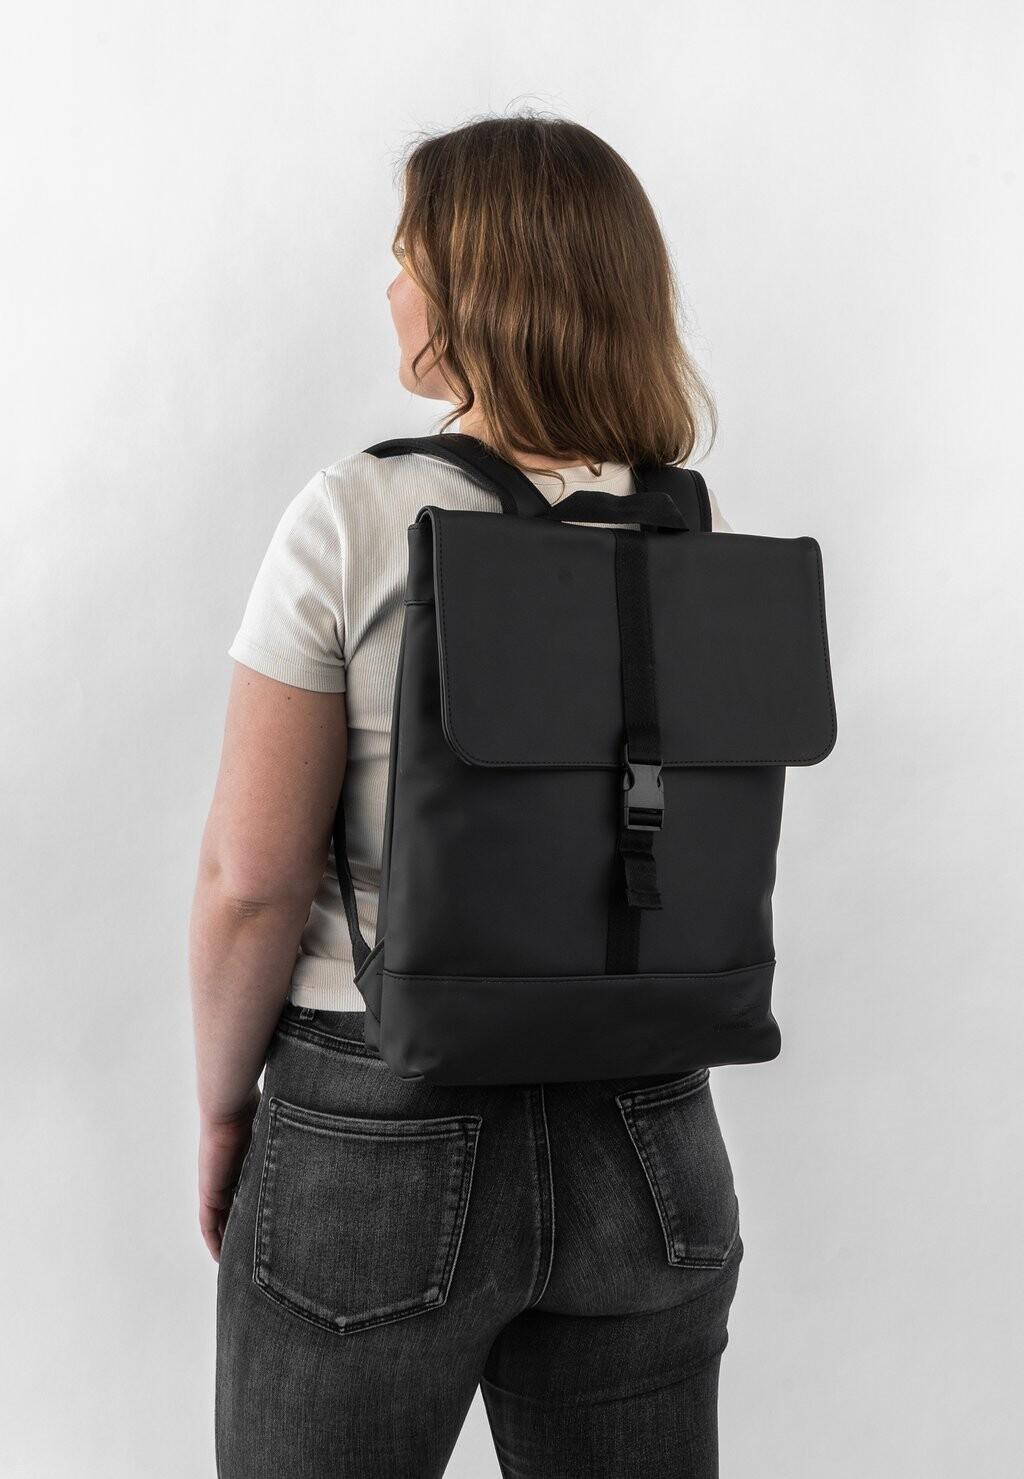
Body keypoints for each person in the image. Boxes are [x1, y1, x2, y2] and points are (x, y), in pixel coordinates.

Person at [191, 112, 741, 1479]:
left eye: (408, 257)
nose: (391, 286)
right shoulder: (683, 527)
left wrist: (221, 1106)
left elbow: (251, 880)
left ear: (470, 291)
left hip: (375, 1107)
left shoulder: (355, 514)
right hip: (649, 1121)